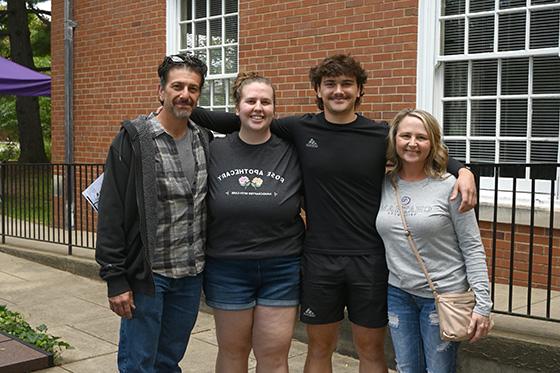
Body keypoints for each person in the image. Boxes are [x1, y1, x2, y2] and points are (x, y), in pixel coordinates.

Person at [190, 54, 477, 373]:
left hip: (369, 259)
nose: (338, 90)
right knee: (319, 348)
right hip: (319, 258)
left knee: (370, 351)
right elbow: (242, 119)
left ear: (359, 91)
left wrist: (463, 170)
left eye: (346, 84)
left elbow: (422, 146)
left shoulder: (380, 134)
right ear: (318, 89)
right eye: (330, 84)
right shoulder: (300, 127)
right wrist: (180, 106)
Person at [95, 53, 212, 373]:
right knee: (139, 362)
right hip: (148, 276)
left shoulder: (203, 138)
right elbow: (111, 211)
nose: (185, 94)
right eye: (177, 86)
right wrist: (115, 278)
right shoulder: (134, 140)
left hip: (190, 274)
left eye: (193, 88)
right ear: (161, 91)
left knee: (168, 359)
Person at [376, 109, 493, 373]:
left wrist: (483, 306)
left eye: (421, 137)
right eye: (405, 135)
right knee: (406, 368)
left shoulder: (450, 186)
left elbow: (472, 247)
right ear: (394, 139)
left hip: (442, 296)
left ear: (433, 143)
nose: (412, 143)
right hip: (398, 294)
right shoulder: (384, 183)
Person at [204, 72, 304, 373]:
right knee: (233, 352)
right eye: (250, 101)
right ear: (237, 109)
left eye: (266, 102)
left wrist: (453, 167)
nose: (258, 107)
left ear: (274, 109)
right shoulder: (215, 151)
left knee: (273, 357)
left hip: (282, 266)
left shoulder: (293, 151)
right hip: (227, 266)